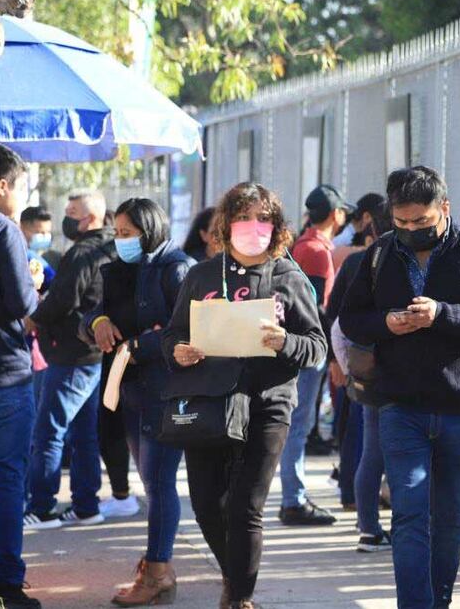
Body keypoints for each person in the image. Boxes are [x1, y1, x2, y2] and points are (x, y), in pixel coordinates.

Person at [338, 166, 460, 608]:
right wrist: (387, 323)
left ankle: (441, 600)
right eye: (402, 223)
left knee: (449, 515)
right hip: (399, 404)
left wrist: (442, 314)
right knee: (410, 513)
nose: (412, 231)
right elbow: (351, 318)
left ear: (445, 210)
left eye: (422, 222)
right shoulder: (379, 254)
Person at [163, 182, 326, 609]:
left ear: (276, 227)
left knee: (245, 508)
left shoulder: (287, 277)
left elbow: (316, 347)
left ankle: (239, 598)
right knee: (205, 504)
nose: (253, 228)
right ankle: (234, 576)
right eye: (244, 218)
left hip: (267, 404)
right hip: (210, 403)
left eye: (263, 219)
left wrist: (284, 341)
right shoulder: (201, 275)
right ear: (226, 224)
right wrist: (178, 351)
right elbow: (173, 335)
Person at [83, 198, 194, 606]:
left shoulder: (175, 268)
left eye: (127, 233)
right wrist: (98, 323)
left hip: (166, 391)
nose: (120, 240)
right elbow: (93, 310)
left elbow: (187, 329)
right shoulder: (124, 268)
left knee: (160, 482)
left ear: (149, 230)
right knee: (151, 483)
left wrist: (139, 344)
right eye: (117, 232)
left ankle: (157, 570)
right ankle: (159, 568)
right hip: (132, 390)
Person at [23, 190, 117, 529]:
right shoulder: (112, 246)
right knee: (83, 433)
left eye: (72, 211)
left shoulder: (82, 252)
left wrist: (34, 317)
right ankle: (86, 505)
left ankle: (43, 506)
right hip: (92, 351)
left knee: (49, 431)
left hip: (71, 353)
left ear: (89, 217)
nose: (65, 217)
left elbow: (62, 299)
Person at [279, 184, 353, 527]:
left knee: (298, 423)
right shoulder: (317, 252)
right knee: (298, 424)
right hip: (309, 350)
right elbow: (318, 310)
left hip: (298, 347)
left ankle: (293, 496)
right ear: (336, 214)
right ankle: (292, 499)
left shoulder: (302, 245)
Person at [0, 146, 41, 609]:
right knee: (8, 478)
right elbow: (22, 305)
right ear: (2, 186)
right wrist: (34, 285)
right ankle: (7, 582)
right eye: (23, 186)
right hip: (6, 375)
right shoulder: (5, 230)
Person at [326, 250, 391, 554]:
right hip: (392, 380)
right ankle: (379, 527)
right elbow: (336, 324)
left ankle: (368, 527)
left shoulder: (359, 265)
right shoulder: (403, 266)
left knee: (372, 453)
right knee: (388, 455)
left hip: (368, 377)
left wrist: (346, 366)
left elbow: (336, 325)